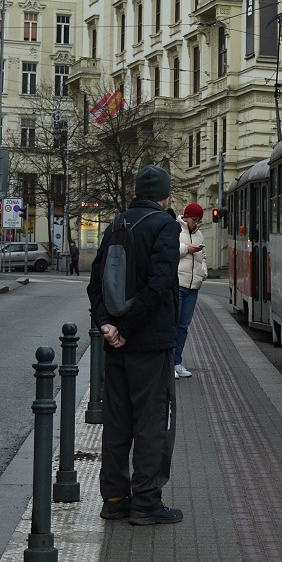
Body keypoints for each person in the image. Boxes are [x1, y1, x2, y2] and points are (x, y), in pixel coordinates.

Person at [87, 164, 183, 525]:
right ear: (165, 195)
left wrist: (108, 326)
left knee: (117, 423)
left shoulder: (115, 225)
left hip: (115, 346)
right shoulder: (164, 226)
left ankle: (114, 498)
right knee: (153, 422)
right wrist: (127, 328)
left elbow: (95, 284)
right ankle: (146, 502)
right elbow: (160, 284)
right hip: (150, 342)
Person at [175, 203, 207, 377]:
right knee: (173, 325)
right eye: (195, 219)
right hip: (178, 284)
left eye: (199, 220)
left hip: (193, 287)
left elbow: (203, 257)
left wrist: (203, 273)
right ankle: (170, 363)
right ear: (186, 216)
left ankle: (177, 362)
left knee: (183, 327)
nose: (196, 223)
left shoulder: (199, 235)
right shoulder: (175, 229)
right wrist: (187, 249)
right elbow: (169, 250)